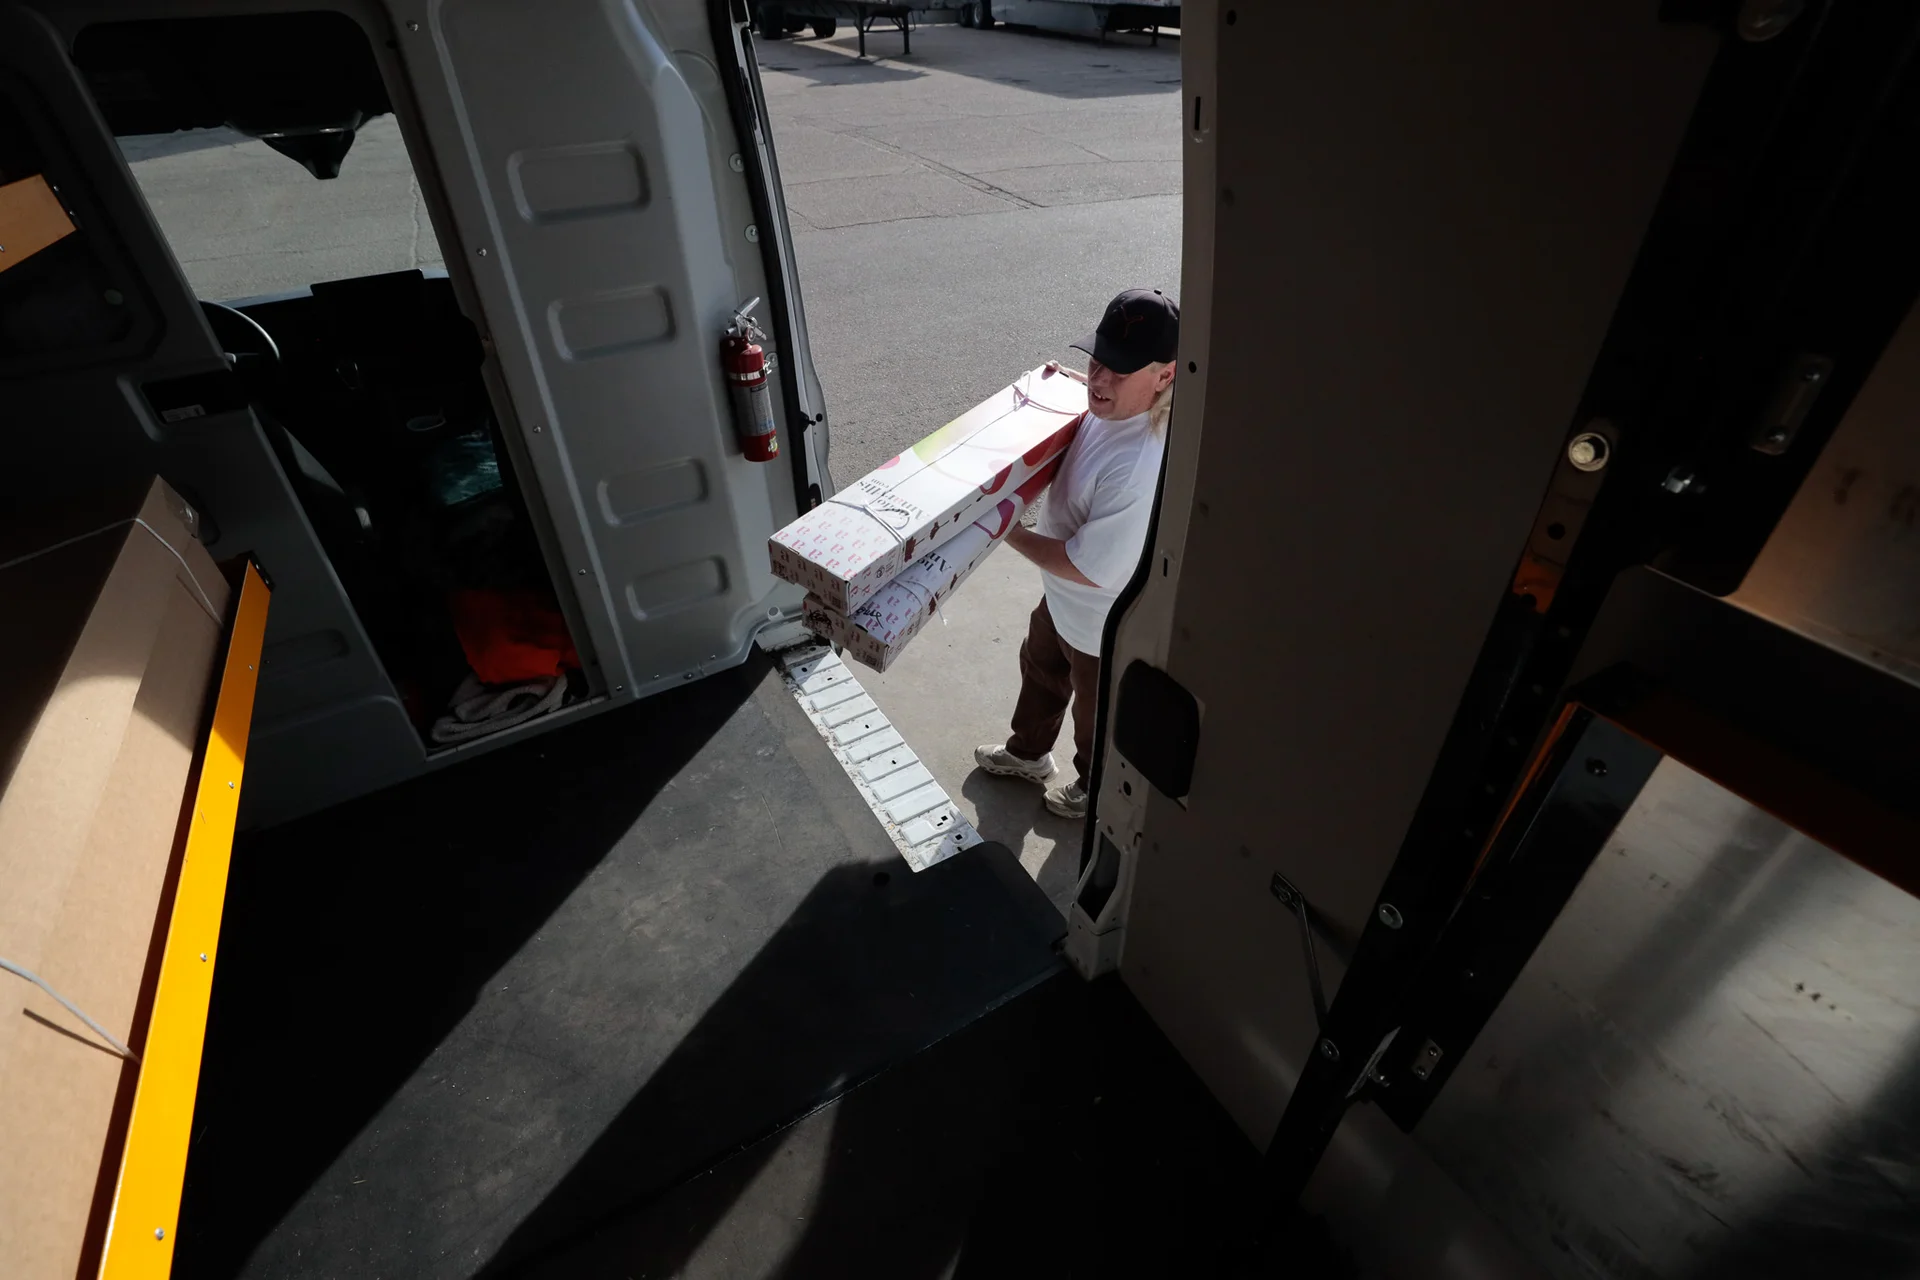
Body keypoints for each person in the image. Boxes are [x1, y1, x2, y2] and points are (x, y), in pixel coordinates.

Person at [974, 288, 1177, 819]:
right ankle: (1029, 754)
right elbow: (1081, 403)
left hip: (1099, 623)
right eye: (1097, 360)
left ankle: (1096, 789)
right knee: (1039, 669)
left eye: (1120, 369)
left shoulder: (1139, 463)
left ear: (1166, 375)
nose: (1099, 378)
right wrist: (1055, 383)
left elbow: (1090, 568)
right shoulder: (1110, 408)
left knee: (1094, 712)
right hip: (1061, 600)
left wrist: (1006, 531)